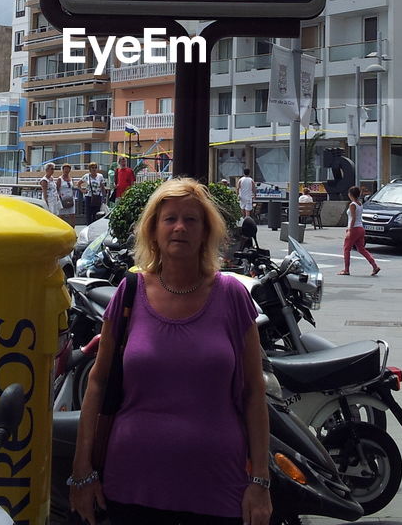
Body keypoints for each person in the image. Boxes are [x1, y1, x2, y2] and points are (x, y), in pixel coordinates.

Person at [69, 178, 271, 525]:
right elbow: (98, 384)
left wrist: (261, 482)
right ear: (153, 230)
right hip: (130, 484)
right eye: (170, 219)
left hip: (217, 486)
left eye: (191, 219)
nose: (180, 227)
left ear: (206, 231)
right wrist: (81, 471)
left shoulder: (232, 296)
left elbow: (254, 391)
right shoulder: (130, 292)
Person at [340, 185, 380, 276]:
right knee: (361, 249)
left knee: (346, 249)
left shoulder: (352, 205)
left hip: (354, 228)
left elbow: (353, 218)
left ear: (350, 194)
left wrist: (349, 230)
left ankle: (346, 269)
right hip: (361, 228)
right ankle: (374, 266)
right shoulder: (360, 203)